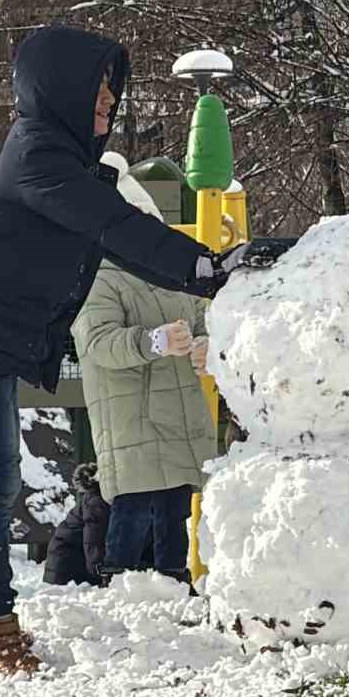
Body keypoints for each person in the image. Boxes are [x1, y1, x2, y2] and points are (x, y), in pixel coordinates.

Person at [0, 26, 281, 673]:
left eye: (111, 99)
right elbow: (117, 226)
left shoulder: (62, 160)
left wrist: (208, 271)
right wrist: (207, 270)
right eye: (100, 98)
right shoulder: (39, 159)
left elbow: (128, 244)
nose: (107, 110)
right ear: (63, 93)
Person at [71, 157, 219, 587]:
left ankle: (173, 581)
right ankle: (122, 582)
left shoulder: (171, 275)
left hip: (176, 409)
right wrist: (152, 342)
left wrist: (208, 345)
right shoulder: (99, 278)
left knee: (173, 504)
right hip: (131, 412)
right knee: (134, 506)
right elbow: (97, 342)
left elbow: (202, 319)